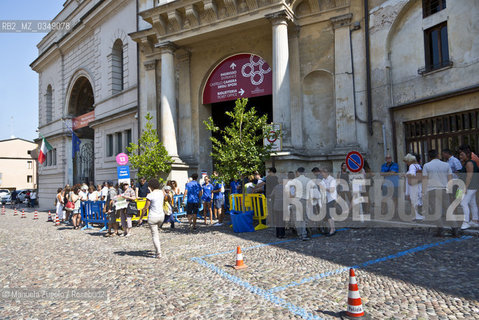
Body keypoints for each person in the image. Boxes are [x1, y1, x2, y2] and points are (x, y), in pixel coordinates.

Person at [422, 149, 453, 237]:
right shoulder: (446, 165)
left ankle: (440, 229)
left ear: (429, 157)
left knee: (436, 211)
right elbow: (450, 178)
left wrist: (423, 192)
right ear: (438, 155)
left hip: (432, 190)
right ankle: (455, 228)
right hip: (444, 189)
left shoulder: (426, 166)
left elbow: (425, 180)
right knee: (448, 209)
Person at [458, 147, 479, 230]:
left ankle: (465, 222)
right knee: (472, 203)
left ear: (467, 155)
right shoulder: (469, 162)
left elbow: (469, 176)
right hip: (473, 186)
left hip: (470, 186)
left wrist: (465, 188)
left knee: (463, 203)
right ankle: (475, 220)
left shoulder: (469, 163)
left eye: (462, 154)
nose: (460, 156)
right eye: (460, 154)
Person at [143, 178, 165, 259]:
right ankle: (158, 250)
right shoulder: (161, 192)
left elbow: (145, 208)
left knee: (155, 235)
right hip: (161, 216)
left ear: (150, 186)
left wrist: (141, 218)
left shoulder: (150, 195)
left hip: (153, 216)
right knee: (156, 233)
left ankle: (158, 253)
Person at [291, 167, 312, 241]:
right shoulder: (308, 180)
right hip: (304, 200)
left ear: (297, 173)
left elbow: (292, 193)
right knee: (303, 218)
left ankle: (300, 234)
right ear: (304, 172)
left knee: (297, 219)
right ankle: (304, 234)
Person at [404, 153, 424, 221]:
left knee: (413, 201)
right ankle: (418, 215)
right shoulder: (418, 166)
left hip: (413, 186)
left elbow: (412, 175)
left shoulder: (412, 166)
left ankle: (415, 215)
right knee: (417, 200)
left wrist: (406, 175)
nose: (406, 163)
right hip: (418, 186)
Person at [319, 168, 337, 236]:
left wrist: (324, 188)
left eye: (322, 173)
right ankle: (333, 228)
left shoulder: (332, 180)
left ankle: (332, 230)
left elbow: (332, 190)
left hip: (332, 199)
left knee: (329, 215)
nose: (321, 174)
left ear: (326, 173)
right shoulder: (324, 179)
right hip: (327, 199)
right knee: (330, 215)